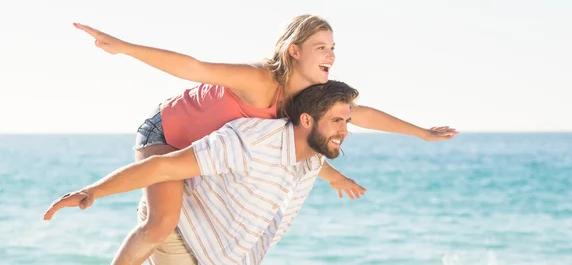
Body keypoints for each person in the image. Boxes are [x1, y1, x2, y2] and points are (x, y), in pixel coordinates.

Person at [73, 14, 457, 264]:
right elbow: (194, 67)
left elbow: (348, 120)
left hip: (206, 148)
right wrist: (123, 48)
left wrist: (421, 133)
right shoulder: (261, 80)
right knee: (161, 222)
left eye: (333, 48)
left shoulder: (306, 101)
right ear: (294, 51)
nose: (331, 55)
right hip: (166, 134)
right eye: (321, 47)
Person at [44, 81, 361, 264]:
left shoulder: (312, 158)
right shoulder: (253, 140)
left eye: (347, 122)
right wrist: (93, 191)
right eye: (337, 121)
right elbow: (162, 166)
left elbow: (316, 166)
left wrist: (338, 179)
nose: (344, 131)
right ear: (306, 120)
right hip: (184, 236)